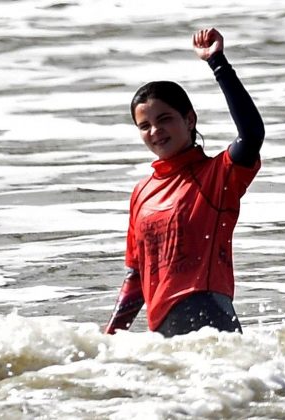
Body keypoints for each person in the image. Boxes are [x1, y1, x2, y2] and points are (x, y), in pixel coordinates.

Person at [104, 28, 264, 337]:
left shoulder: (217, 176)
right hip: (162, 331)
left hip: (208, 316)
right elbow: (136, 276)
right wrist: (108, 340)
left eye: (165, 119)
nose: (155, 131)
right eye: (145, 125)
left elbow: (252, 135)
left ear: (189, 120)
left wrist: (218, 62)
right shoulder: (142, 193)